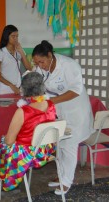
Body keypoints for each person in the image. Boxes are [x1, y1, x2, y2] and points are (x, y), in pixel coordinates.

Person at [32, 40, 95, 195]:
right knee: (60, 145)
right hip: (60, 109)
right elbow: (39, 83)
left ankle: (67, 182)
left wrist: (51, 101)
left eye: (42, 61)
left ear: (50, 55)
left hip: (76, 109)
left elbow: (75, 91)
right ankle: (62, 176)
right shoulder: (41, 68)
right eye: (37, 63)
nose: (40, 65)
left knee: (70, 145)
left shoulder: (69, 65)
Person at [0, 72, 56, 196]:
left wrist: (5, 139)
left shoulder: (23, 111)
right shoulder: (51, 105)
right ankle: (15, 178)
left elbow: (9, 141)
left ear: (24, 89)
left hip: (26, 155)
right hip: (44, 150)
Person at [0, 25, 32, 95]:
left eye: (17, 36)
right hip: (4, 89)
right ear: (6, 36)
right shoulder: (0, 52)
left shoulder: (19, 50)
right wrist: (11, 85)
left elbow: (29, 68)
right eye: (13, 36)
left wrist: (21, 51)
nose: (16, 38)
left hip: (17, 88)